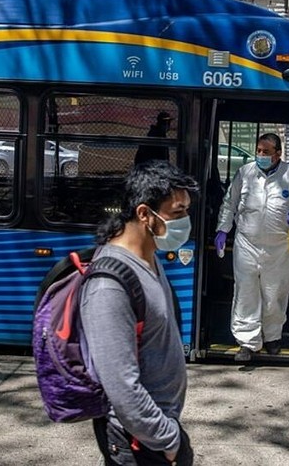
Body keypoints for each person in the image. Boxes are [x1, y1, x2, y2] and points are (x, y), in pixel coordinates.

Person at [81, 160, 198, 465]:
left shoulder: (149, 258)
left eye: (186, 210)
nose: (185, 220)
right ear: (145, 214)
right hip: (138, 439)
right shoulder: (109, 287)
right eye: (178, 212)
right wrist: (168, 441)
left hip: (156, 430)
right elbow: (121, 385)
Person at [213, 133, 289, 362]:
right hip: (247, 243)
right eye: (258, 150)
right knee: (246, 293)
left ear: (278, 154)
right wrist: (223, 229)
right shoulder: (245, 173)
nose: (260, 155)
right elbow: (230, 202)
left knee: (274, 294)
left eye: (266, 152)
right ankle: (247, 343)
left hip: (280, 248)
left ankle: (272, 337)